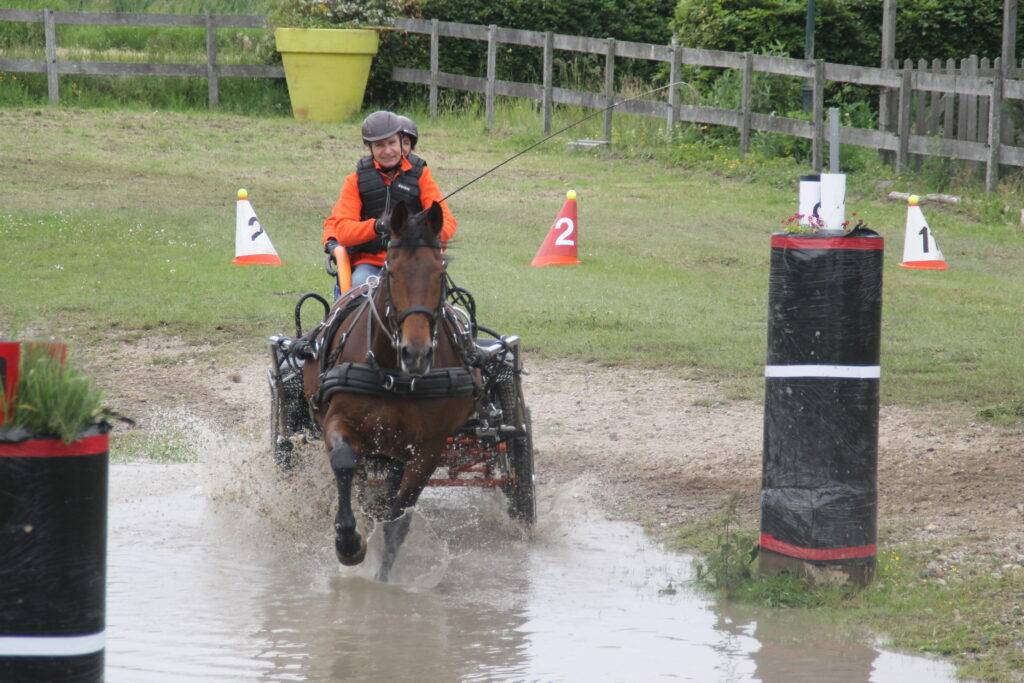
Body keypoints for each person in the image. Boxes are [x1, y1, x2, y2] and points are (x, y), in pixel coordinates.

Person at [323, 111, 457, 298]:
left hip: (414, 261)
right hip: (371, 264)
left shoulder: (422, 175)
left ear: (401, 141)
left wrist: (421, 235)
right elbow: (343, 231)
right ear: (369, 147)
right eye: (380, 145)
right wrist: (377, 226)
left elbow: (447, 221)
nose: (387, 151)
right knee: (360, 285)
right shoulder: (355, 181)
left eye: (392, 143)